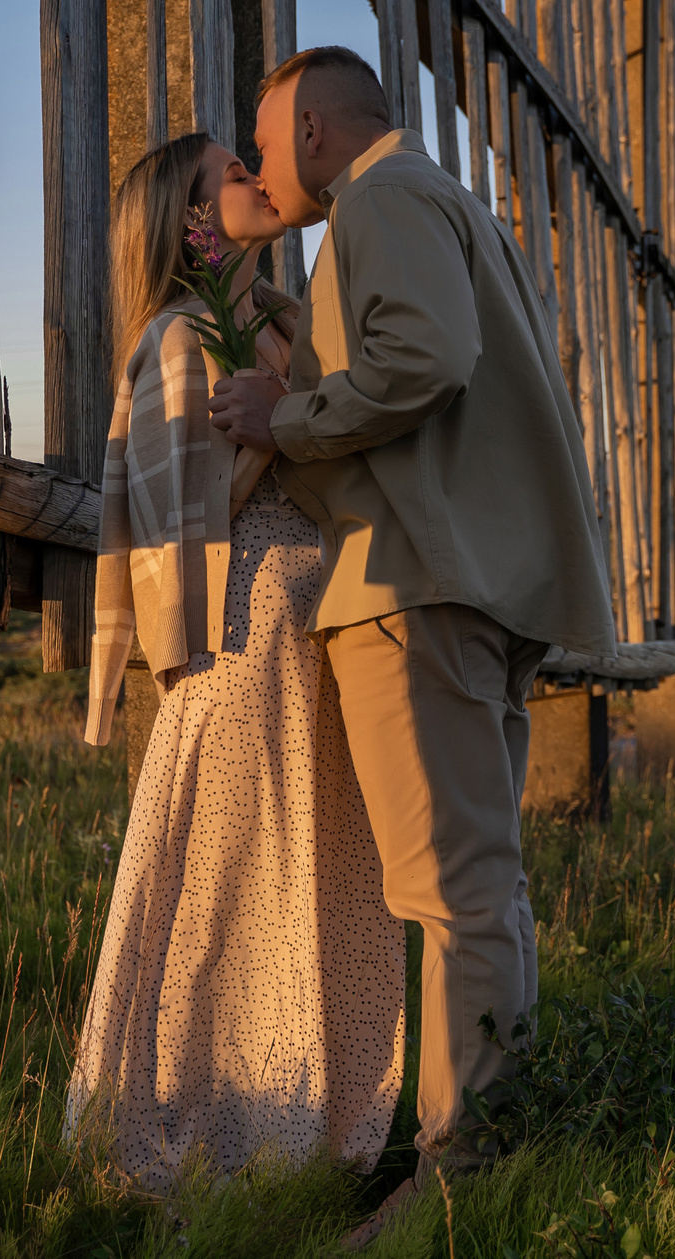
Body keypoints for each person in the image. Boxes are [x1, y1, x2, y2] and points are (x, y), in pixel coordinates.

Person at [208, 47, 617, 1243]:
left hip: (412, 583)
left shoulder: (379, 200)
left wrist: (284, 417)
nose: (260, 168)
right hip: (472, 579)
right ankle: (488, 1149)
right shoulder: (443, 200)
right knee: (485, 891)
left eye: (265, 142)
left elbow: (424, 361)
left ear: (316, 131)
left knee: (453, 896)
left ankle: (457, 1179)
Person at [67, 132, 405, 1192]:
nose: (259, 176)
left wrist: (291, 410)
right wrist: (284, 430)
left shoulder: (288, 325)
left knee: (329, 875)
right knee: (231, 890)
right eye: (233, 171)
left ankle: (325, 1125)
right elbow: (174, 513)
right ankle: (211, 1135)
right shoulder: (178, 338)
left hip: (322, 634)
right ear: (191, 218)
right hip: (245, 638)